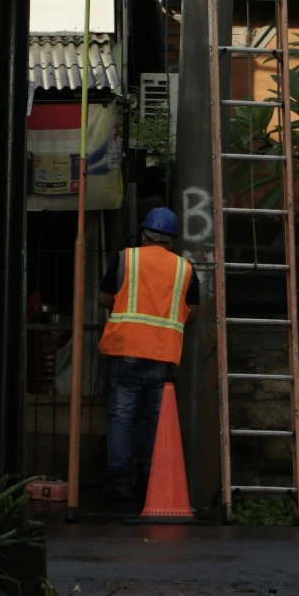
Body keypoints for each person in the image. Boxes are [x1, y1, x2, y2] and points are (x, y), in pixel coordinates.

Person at [97, 204, 199, 506]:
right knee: (156, 421)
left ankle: (120, 484)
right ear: (172, 240)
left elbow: (104, 297)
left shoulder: (124, 259)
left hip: (126, 350)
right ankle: (149, 482)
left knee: (121, 417)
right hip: (164, 355)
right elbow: (191, 313)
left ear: (144, 233)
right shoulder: (185, 268)